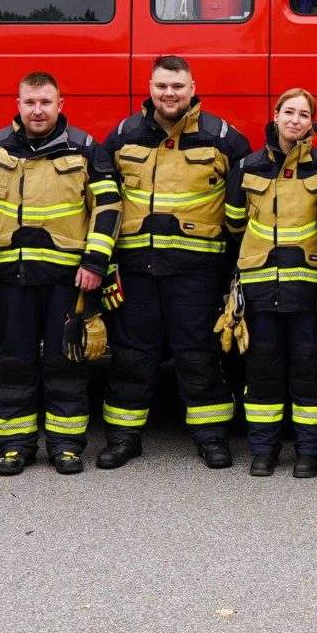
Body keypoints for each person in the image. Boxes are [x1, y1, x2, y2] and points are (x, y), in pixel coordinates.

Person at [0, 71, 119, 476]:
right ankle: (15, 446)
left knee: (68, 364)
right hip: (11, 279)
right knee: (14, 364)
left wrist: (95, 263)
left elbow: (108, 208)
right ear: (18, 103)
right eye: (30, 102)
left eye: (46, 102)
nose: (38, 110)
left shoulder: (84, 148)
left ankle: (65, 446)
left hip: (69, 282)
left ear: (60, 104)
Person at [96, 55, 252, 470]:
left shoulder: (223, 138)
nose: (170, 94)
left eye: (178, 86)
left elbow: (244, 206)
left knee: (199, 354)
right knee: (131, 355)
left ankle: (212, 437)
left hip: (198, 272)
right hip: (136, 270)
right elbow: (102, 199)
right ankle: (123, 438)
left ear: (192, 88)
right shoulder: (123, 136)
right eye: (162, 86)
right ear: (150, 88)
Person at [228, 89, 317, 479]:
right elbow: (234, 221)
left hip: (308, 289)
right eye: (288, 112)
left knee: (310, 370)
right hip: (259, 289)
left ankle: (309, 452)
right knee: (262, 370)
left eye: (303, 114)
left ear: (312, 123)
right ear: (274, 116)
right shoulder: (248, 165)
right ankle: (264, 451)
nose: (295, 120)